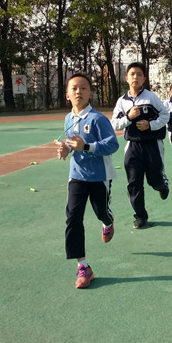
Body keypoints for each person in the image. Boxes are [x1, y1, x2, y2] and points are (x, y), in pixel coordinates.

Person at [55, 72, 120, 289]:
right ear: (67, 94)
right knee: (73, 218)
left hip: (100, 176)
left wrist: (87, 147)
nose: (78, 92)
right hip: (77, 176)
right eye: (74, 88)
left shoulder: (98, 119)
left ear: (90, 93)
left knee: (101, 211)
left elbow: (113, 145)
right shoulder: (68, 118)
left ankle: (108, 221)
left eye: (83, 88)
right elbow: (71, 142)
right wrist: (66, 149)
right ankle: (83, 266)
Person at [112, 62, 170, 229]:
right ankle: (140, 216)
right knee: (134, 183)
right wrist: (128, 117)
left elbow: (165, 115)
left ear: (144, 78)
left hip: (152, 146)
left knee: (154, 180)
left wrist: (150, 125)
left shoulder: (151, 98)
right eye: (132, 74)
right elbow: (114, 124)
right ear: (126, 78)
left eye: (139, 74)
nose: (135, 77)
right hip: (133, 147)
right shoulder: (122, 101)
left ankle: (162, 186)